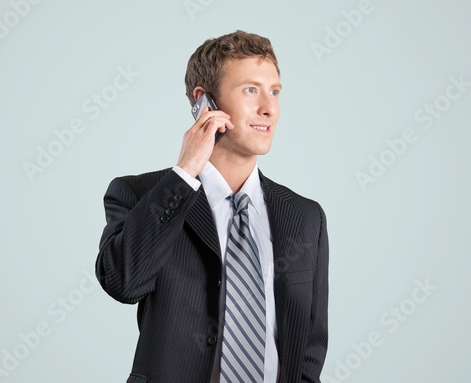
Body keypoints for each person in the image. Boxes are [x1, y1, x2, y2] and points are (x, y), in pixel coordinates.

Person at [96, 30, 329, 383]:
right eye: (251, 90)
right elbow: (123, 283)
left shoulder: (305, 216)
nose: (269, 108)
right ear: (205, 102)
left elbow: (310, 346)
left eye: (275, 91)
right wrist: (184, 173)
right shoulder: (139, 193)